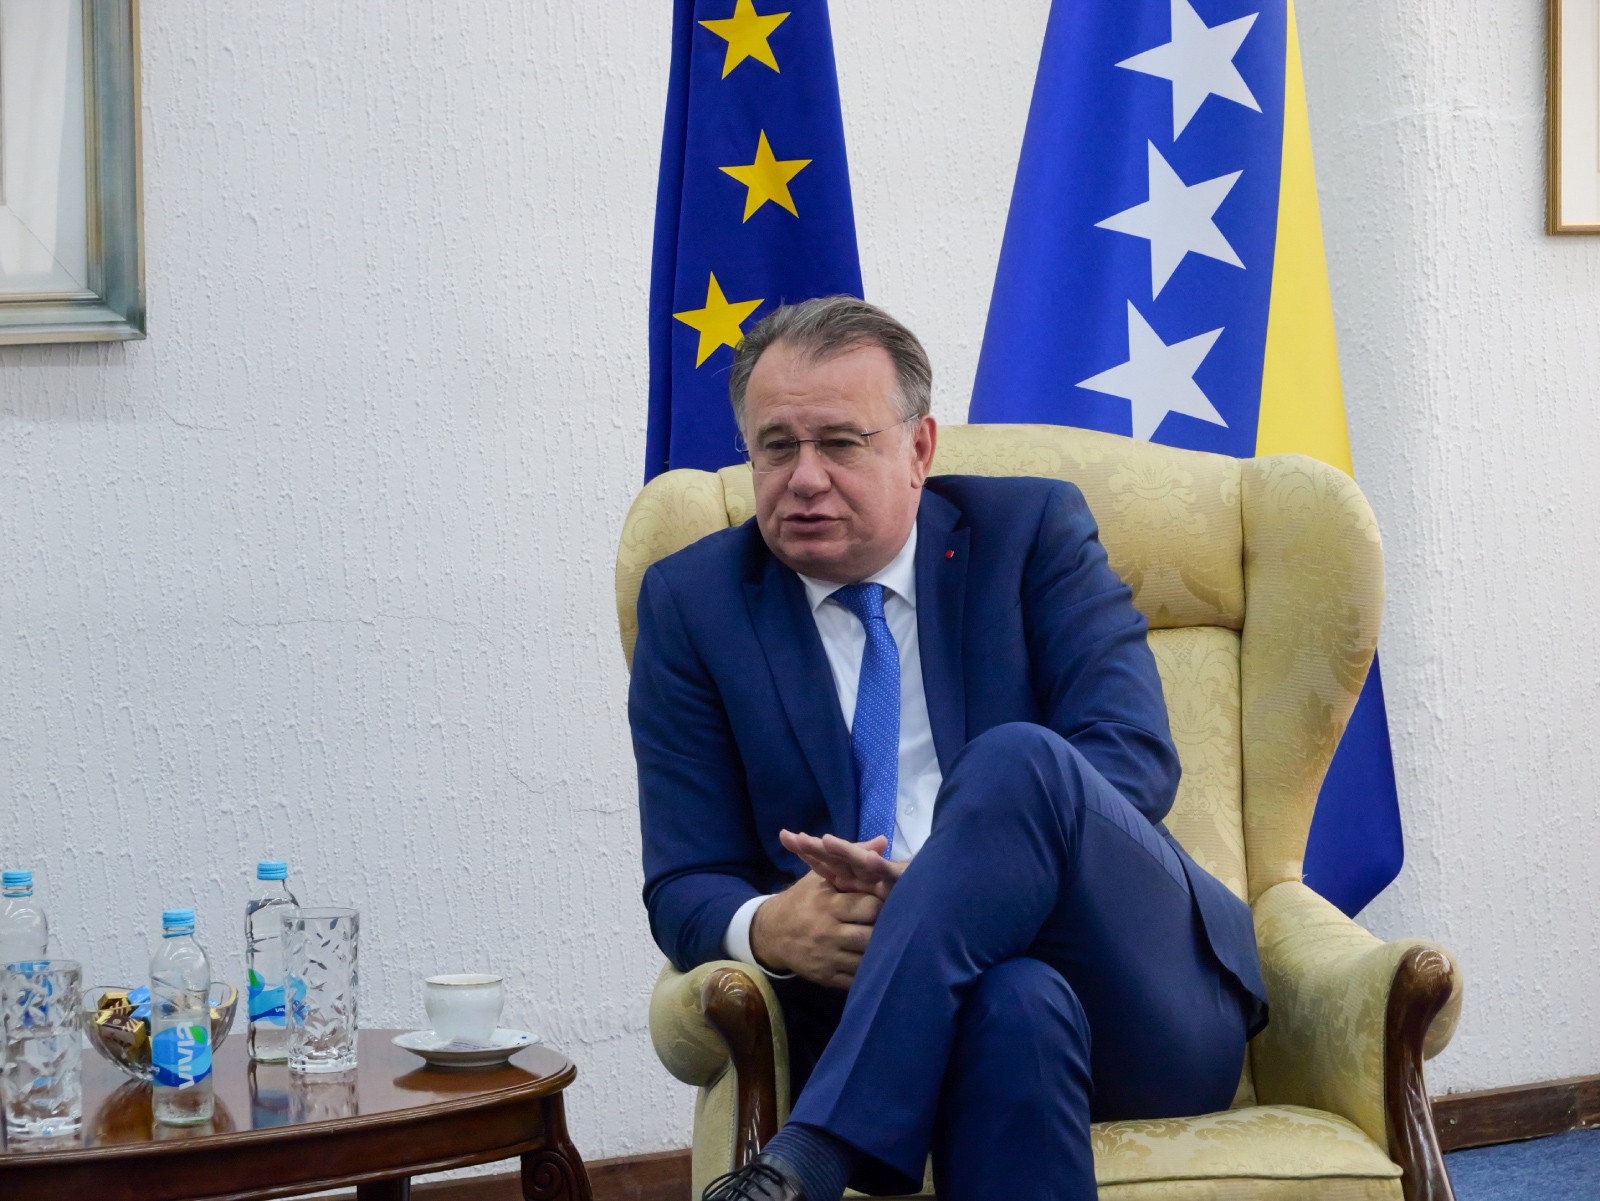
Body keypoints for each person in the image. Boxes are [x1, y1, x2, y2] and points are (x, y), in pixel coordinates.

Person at [629, 297, 1267, 1201]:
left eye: (840, 443)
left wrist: (954, 883)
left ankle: (810, 1155)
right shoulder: (694, 604)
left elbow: (1133, 757)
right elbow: (683, 878)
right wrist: (773, 927)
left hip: (1140, 1002)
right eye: (775, 446)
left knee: (1017, 762)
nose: (803, 478)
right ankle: (821, 1148)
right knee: (1014, 1005)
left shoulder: (1031, 533)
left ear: (919, 449)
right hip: (914, 1036)